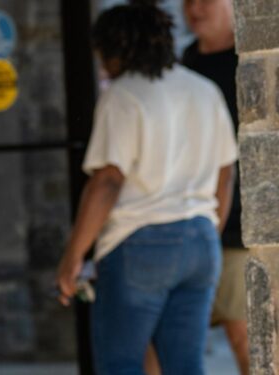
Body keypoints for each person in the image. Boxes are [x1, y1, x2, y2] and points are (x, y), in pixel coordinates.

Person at [56, 2, 237, 374]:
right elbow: (226, 173)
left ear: (117, 47)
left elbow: (107, 180)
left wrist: (74, 255)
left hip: (140, 243)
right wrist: (205, 230)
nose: (101, 64)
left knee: (121, 365)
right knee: (185, 366)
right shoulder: (203, 90)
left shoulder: (123, 95)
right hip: (201, 241)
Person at [182, 1, 250, 374]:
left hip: (238, 230)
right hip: (186, 226)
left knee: (244, 338)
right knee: (167, 343)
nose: (193, 8)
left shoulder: (249, 63)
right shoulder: (183, 64)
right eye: (187, 0)